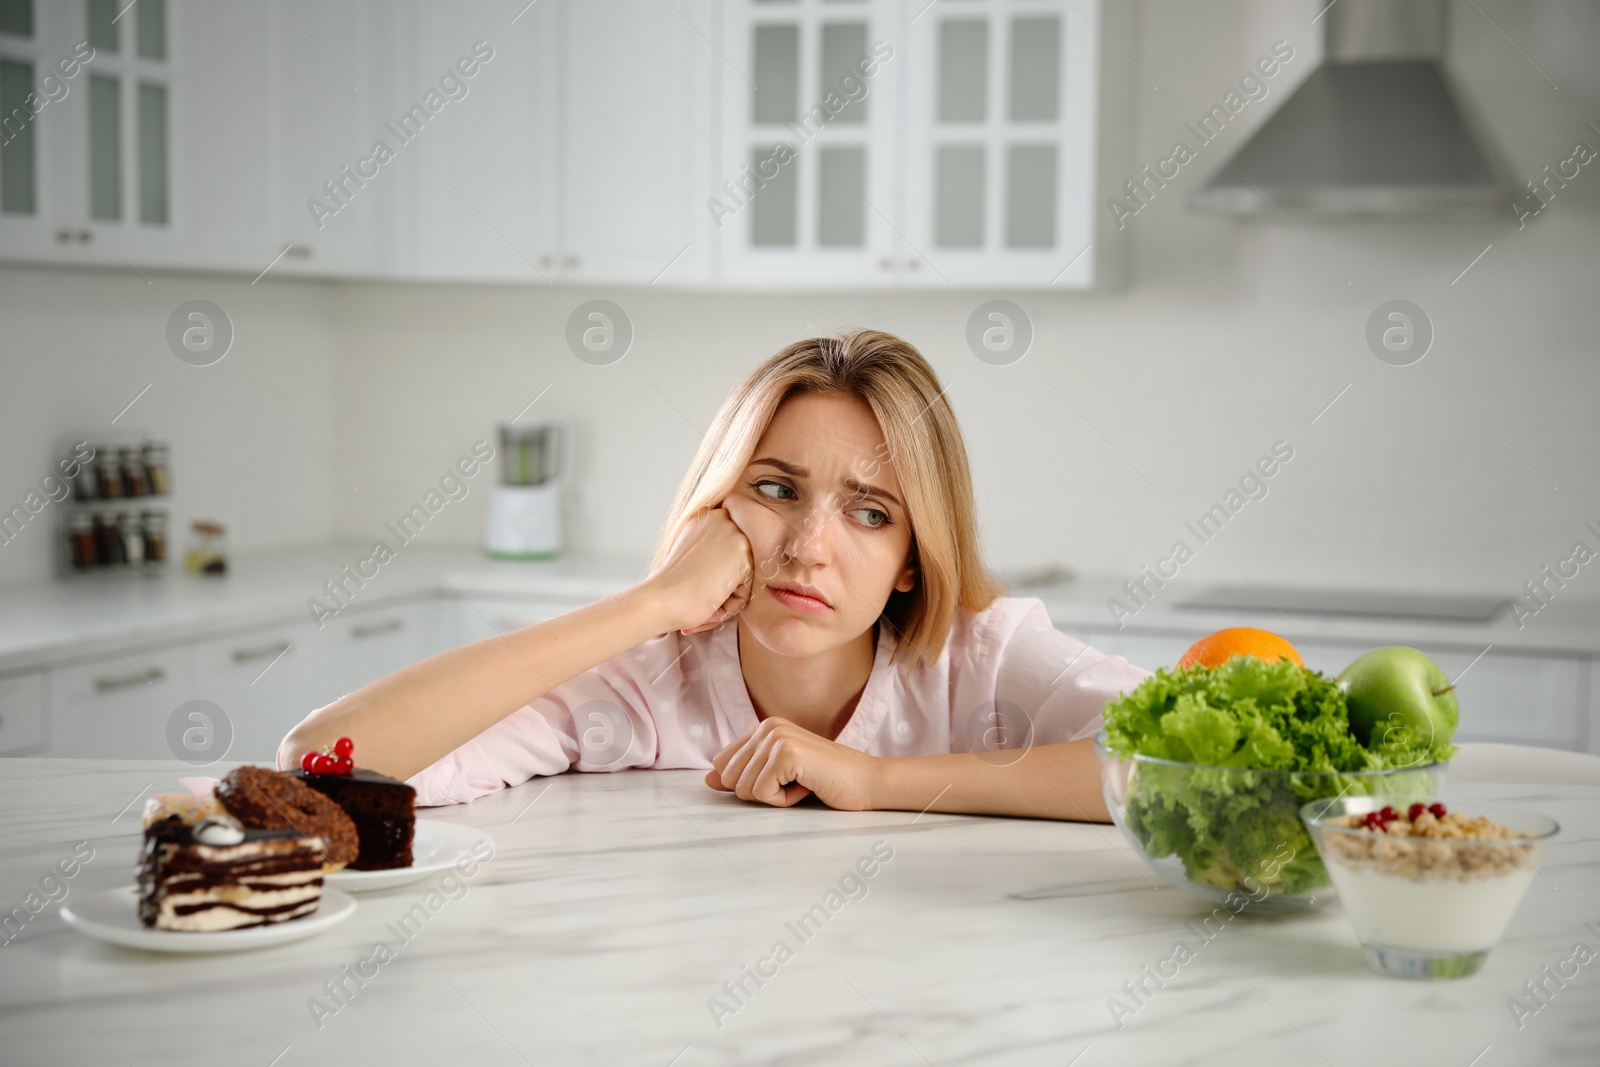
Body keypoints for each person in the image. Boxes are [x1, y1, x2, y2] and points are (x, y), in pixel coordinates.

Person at [279, 329, 1148, 820]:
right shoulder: (642, 681)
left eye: (870, 512)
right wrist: (655, 601)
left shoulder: (983, 659)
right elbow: (323, 758)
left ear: (914, 562)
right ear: (715, 502)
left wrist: (879, 782)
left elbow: (1197, 770)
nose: (808, 546)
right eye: (775, 489)